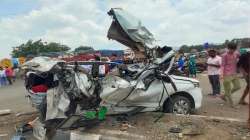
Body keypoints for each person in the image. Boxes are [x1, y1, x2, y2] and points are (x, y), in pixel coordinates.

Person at [220, 42, 241, 107]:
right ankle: (232, 104)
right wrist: (221, 74)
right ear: (228, 48)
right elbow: (222, 65)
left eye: (234, 49)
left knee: (238, 87)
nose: (232, 50)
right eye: (231, 49)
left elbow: (240, 57)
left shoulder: (236, 53)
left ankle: (224, 95)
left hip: (234, 73)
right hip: (226, 74)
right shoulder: (224, 55)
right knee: (228, 89)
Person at [237, 52, 250, 128]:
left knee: (248, 87)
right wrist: (244, 73)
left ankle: (242, 99)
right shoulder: (245, 55)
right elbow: (239, 65)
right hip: (248, 74)